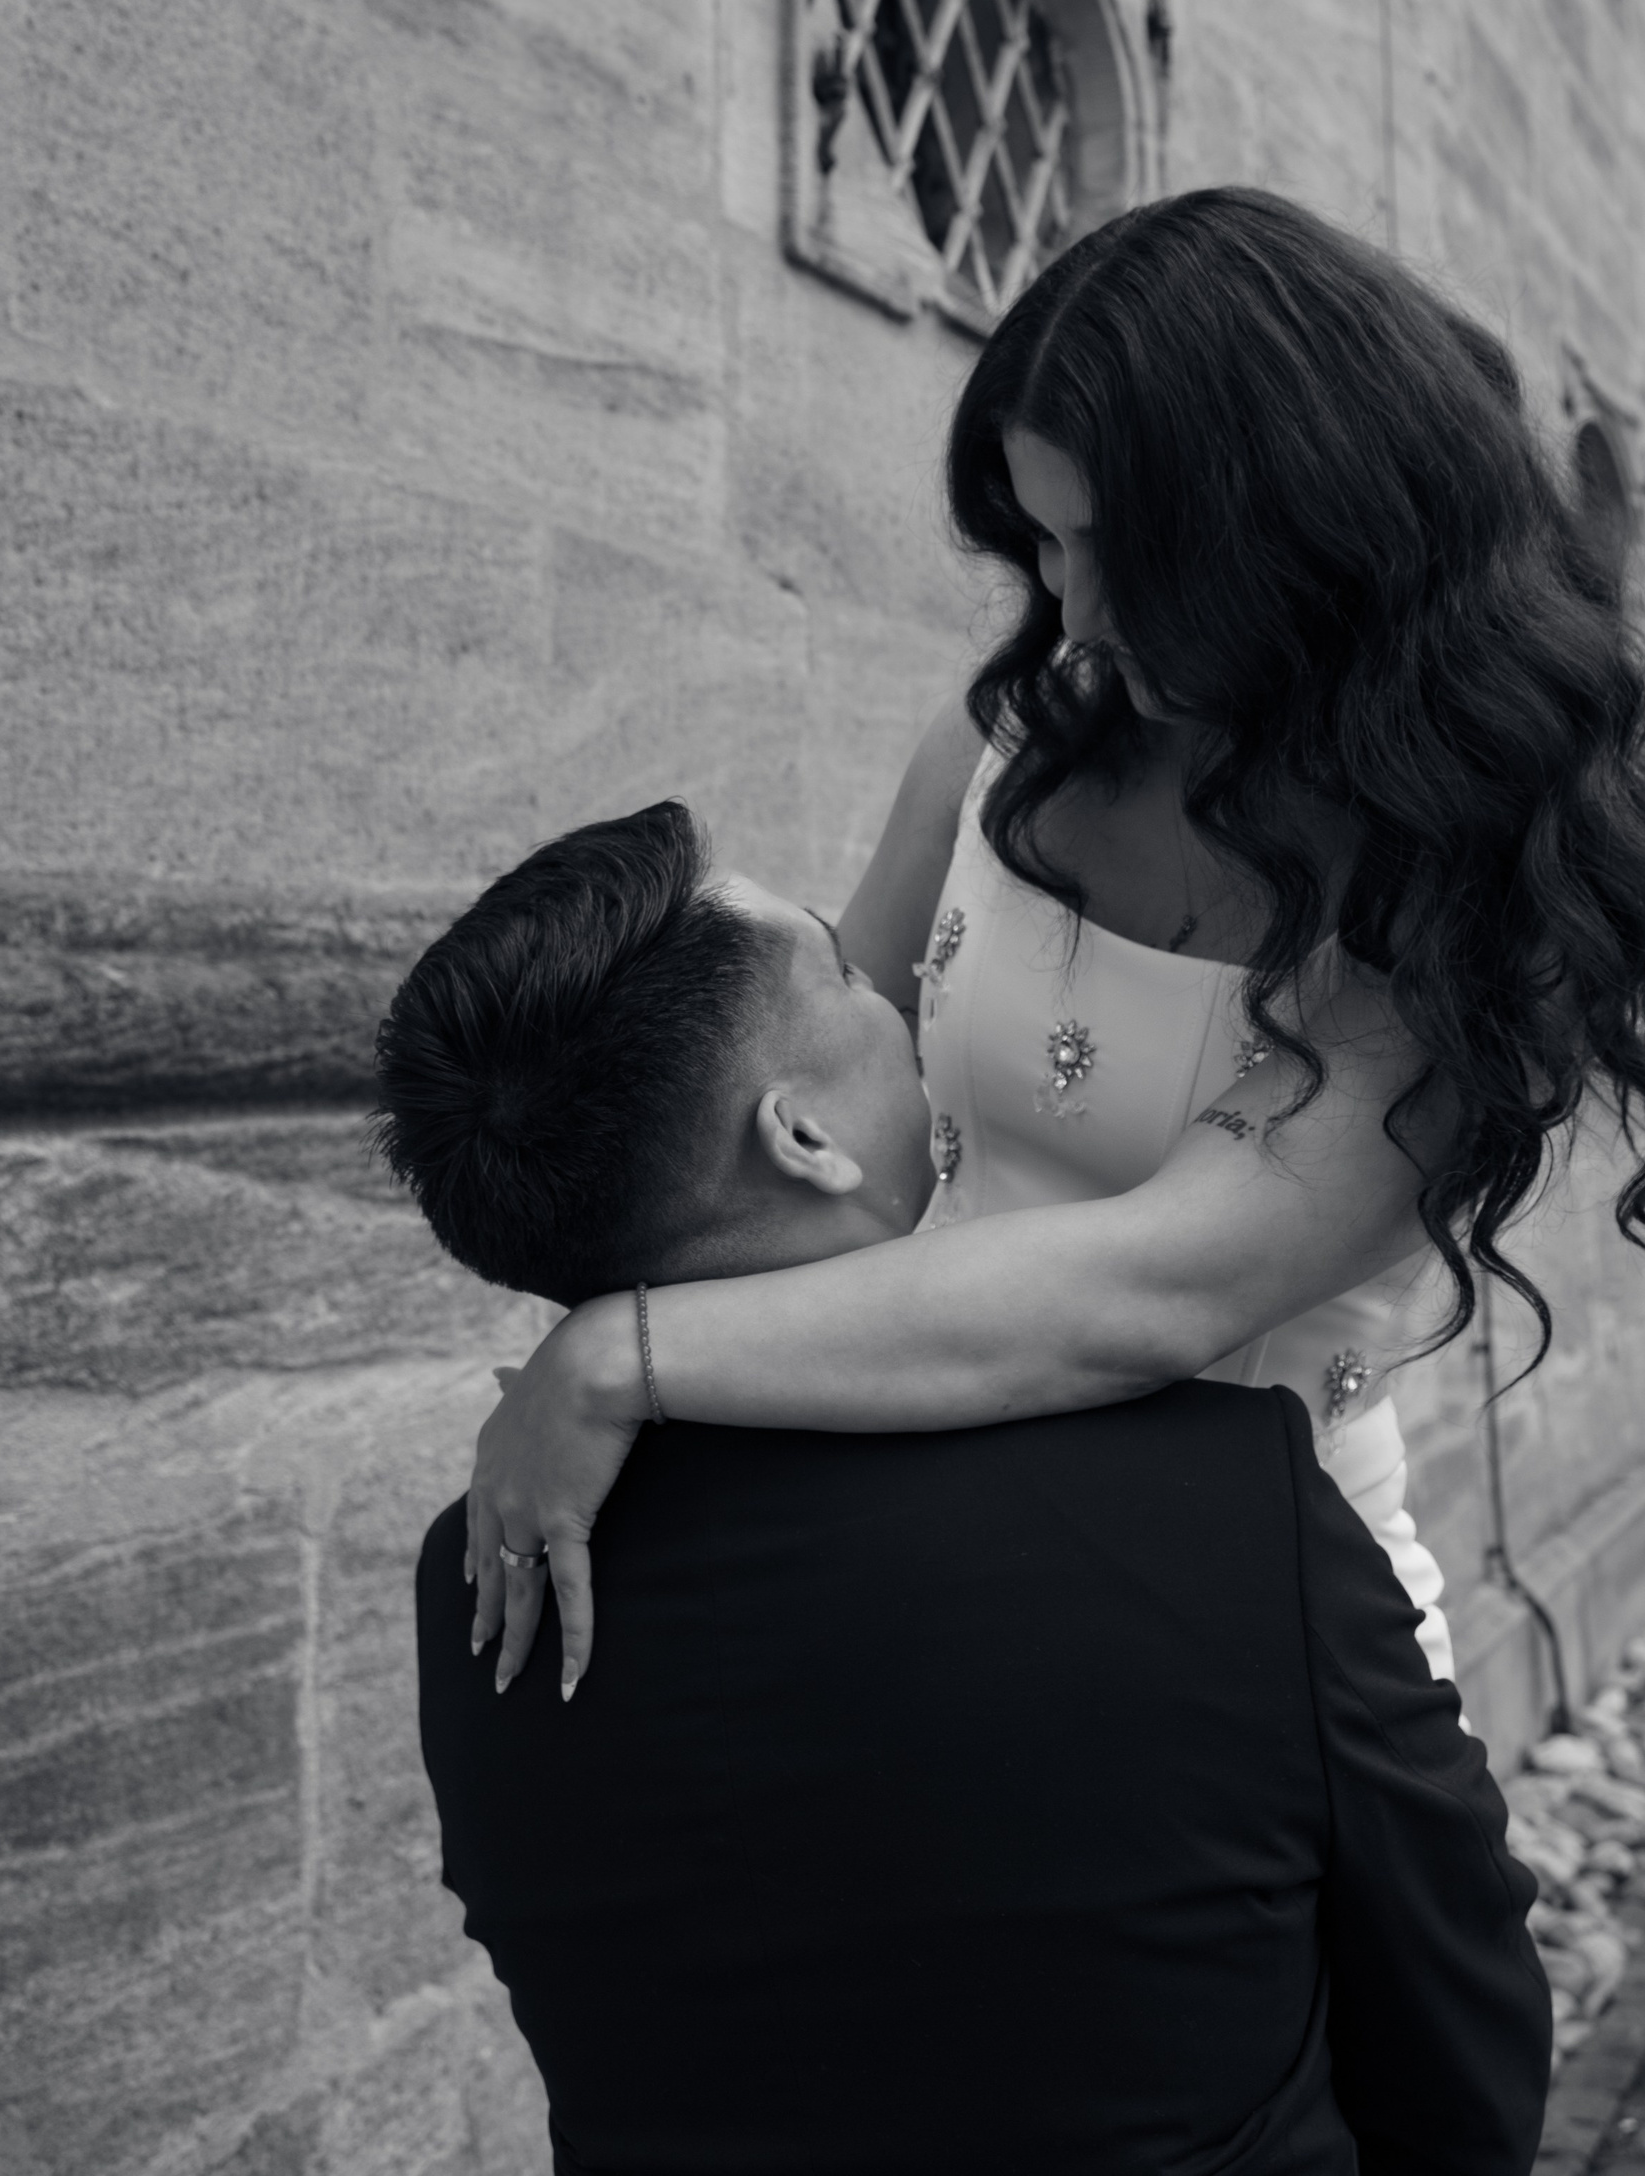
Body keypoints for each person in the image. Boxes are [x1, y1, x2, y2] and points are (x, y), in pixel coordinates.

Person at [461, 191, 1645, 1699]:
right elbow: (812, 1088)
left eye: (1118, 547)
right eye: (1043, 541)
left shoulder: (1484, 862)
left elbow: (1166, 1290)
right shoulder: (1009, 745)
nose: (1073, 611)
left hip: (1261, 1639)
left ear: (1303, 528)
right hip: (929, 1553)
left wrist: (623, 1356)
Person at [384, 802, 1552, 2175]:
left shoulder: (483, 1579)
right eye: (844, 970)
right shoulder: (1225, 1507)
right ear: (801, 1137)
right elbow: (1464, 2022)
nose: (898, 997)